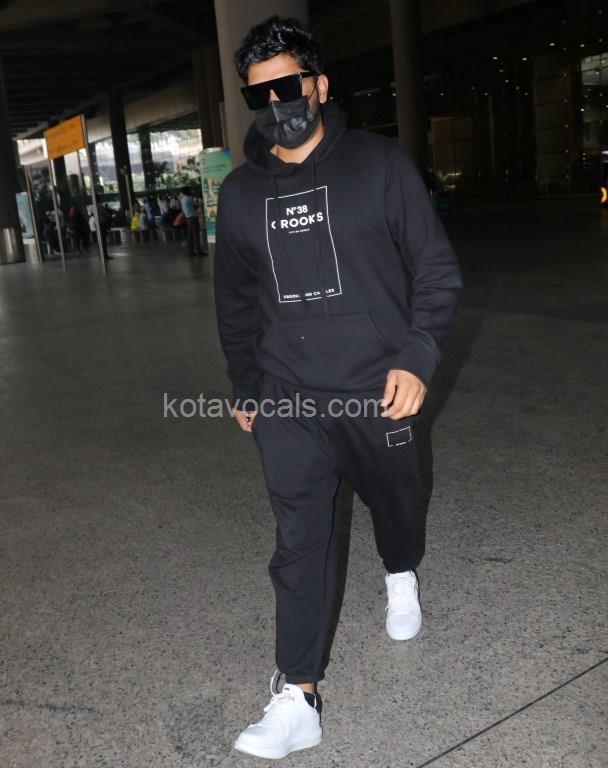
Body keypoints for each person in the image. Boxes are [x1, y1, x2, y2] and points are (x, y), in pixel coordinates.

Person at [213, 16, 463, 761]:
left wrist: (416, 358)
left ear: (319, 85)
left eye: (290, 86)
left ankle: (400, 569)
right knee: (299, 539)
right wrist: (246, 386)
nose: (278, 103)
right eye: (261, 94)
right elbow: (234, 301)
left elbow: (436, 271)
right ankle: (299, 697)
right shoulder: (240, 195)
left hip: (376, 388)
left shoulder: (380, 166)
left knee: (397, 502)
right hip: (288, 396)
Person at [179, 186, 205, 256]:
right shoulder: (189, 198)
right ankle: (199, 251)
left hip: (188, 218)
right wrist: (195, 200)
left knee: (190, 235)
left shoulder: (182, 199)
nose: (191, 191)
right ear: (188, 191)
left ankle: (190, 251)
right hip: (193, 218)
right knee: (196, 235)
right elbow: (196, 206)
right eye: (190, 190)